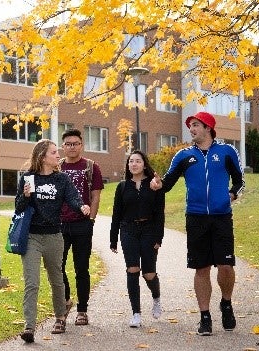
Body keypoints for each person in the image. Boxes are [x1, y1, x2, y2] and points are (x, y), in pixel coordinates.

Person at [150, 111, 245, 336]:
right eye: (190, 125)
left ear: (208, 127)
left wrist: (231, 195)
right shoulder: (183, 156)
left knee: (225, 266)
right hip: (195, 217)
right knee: (201, 268)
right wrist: (157, 185)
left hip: (222, 217)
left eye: (195, 125)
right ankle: (205, 317)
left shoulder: (226, 152)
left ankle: (226, 304)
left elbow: (239, 180)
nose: (191, 129)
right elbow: (167, 184)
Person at [14, 139, 91, 343]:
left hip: (54, 237)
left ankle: (59, 317)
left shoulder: (62, 179)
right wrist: (25, 196)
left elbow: (73, 198)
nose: (59, 155)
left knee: (56, 279)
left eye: (58, 152)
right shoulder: (28, 178)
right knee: (32, 282)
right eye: (54, 152)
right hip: (31, 237)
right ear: (42, 156)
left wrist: (81, 207)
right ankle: (29, 326)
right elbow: (19, 208)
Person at [110, 150, 165, 328]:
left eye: (138, 161)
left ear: (144, 164)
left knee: (149, 273)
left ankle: (156, 297)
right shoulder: (123, 186)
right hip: (128, 230)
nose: (134, 164)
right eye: (131, 161)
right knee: (132, 269)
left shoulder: (154, 185)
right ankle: (136, 313)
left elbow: (159, 213)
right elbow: (116, 214)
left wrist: (159, 237)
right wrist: (113, 239)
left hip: (149, 230)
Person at [59, 128, 104, 326]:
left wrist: (91, 220)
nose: (72, 147)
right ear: (63, 146)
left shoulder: (91, 167)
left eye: (75, 143)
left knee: (81, 269)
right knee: (56, 267)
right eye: (68, 144)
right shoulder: (56, 167)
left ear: (81, 145)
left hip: (82, 225)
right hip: (59, 225)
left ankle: (82, 311)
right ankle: (66, 301)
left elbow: (95, 196)